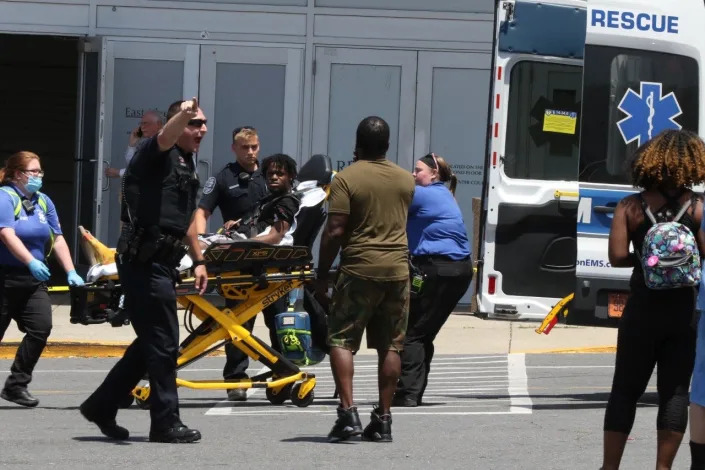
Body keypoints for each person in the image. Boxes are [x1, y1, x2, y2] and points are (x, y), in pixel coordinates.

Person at [80, 98, 209, 443]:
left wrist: (198, 261)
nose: (202, 130)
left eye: (202, 123)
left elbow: (185, 221)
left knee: (153, 342)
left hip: (163, 262)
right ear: (177, 124)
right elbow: (165, 137)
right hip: (143, 263)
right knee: (164, 343)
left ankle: (101, 406)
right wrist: (182, 113)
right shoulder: (155, 153)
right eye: (195, 124)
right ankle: (165, 423)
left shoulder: (186, 162)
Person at [602, 129, 705, 470]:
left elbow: (616, 256)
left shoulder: (630, 206)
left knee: (624, 390)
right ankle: (663, 468)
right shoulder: (699, 208)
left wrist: (647, 259)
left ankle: (610, 467)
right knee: (675, 393)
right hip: (683, 312)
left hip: (641, 310)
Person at [314, 116, 415, 443]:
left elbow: (335, 230)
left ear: (357, 144)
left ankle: (348, 415)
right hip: (397, 271)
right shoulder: (404, 180)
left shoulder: (345, 178)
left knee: (341, 339)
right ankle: (383, 419)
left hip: (359, 269)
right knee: (391, 345)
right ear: (387, 145)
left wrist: (322, 273)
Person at [186, 126, 284, 402]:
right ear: (234, 148)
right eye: (245, 148)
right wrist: (203, 242)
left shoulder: (269, 176)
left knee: (277, 319)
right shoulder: (222, 178)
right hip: (237, 262)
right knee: (238, 321)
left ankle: (280, 374)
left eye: (254, 147)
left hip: (269, 259)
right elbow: (202, 210)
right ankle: (236, 379)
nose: (251, 152)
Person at [0, 151, 85, 407]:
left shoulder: (43, 202)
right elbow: (6, 234)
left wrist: (71, 271)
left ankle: (16, 385)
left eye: (40, 172)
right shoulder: (5, 197)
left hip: (32, 282)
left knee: (40, 328)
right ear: (17, 174)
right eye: (32, 172)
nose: (38, 176)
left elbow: (57, 237)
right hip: (5, 278)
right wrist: (30, 260)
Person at [393, 153, 473, 408]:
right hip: (455, 270)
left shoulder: (425, 194)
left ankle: (407, 393)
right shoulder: (442, 195)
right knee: (423, 332)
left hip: (441, 269)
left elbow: (388, 198)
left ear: (434, 174)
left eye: (418, 170)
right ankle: (413, 391)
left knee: (413, 333)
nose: (414, 175)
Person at [104, 110, 164, 179]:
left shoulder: (162, 142)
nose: (142, 127)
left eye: (146, 123)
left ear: (158, 125)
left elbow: (147, 170)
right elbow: (133, 164)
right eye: (141, 123)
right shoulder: (147, 142)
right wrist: (132, 144)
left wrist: (119, 172)